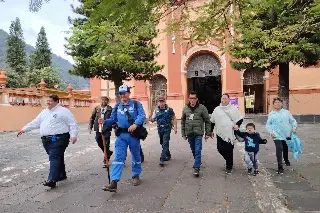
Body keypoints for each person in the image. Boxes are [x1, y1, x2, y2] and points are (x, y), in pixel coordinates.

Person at [17, 94, 78, 188]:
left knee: (54, 157)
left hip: (59, 138)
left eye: (50, 101)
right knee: (56, 156)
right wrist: (24, 129)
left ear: (56, 102)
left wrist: (74, 135)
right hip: (46, 139)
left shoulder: (64, 111)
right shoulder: (44, 112)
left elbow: (72, 123)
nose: (48, 102)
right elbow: (36, 122)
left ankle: (52, 179)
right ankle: (61, 175)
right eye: (47, 101)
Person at [99, 84, 146, 192]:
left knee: (136, 155)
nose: (122, 95)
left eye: (124, 93)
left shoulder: (136, 104)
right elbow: (113, 119)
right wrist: (104, 121)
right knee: (118, 158)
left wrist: (135, 124)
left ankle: (136, 175)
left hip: (133, 135)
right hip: (121, 135)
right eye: (120, 94)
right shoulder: (117, 106)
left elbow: (142, 115)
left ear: (129, 93)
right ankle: (114, 182)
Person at [210, 93, 243, 174]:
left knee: (229, 150)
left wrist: (237, 125)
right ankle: (228, 160)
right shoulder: (217, 109)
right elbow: (212, 121)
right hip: (220, 133)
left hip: (229, 134)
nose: (223, 100)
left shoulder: (233, 109)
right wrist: (210, 131)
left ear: (229, 99)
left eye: (225, 98)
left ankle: (229, 166)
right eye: (222, 98)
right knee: (220, 149)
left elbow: (240, 119)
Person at [181, 91, 211, 177]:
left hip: (198, 133)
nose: (192, 100)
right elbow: (183, 121)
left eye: (194, 98)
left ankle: (196, 167)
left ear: (197, 99)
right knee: (194, 150)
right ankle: (198, 161)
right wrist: (183, 133)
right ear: (189, 99)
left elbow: (207, 121)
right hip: (189, 132)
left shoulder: (202, 108)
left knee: (198, 150)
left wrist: (207, 133)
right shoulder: (185, 108)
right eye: (191, 98)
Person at [266, 97, 297, 174]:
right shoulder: (271, 114)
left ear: (281, 104)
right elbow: (268, 125)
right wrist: (271, 132)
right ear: (273, 104)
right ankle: (280, 166)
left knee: (285, 146)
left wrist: (294, 128)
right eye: (276, 102)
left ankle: (286, 159)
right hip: (276, 134)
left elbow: (293, 121)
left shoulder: (287, 112)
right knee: (279, 148)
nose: (277, 104)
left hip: (287, 133)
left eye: (279, 102)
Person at [150, 96, 177, 167]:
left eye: (162, 101)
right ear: (158, 103)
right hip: (160, 129)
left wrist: (175, 127)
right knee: (162, 143)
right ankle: (168, 154)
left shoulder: (169, 110)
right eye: (160, 101)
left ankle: (162, 158)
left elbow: (174, 118)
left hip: (167, 128)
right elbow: (152, 119)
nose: (161, 103)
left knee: (165, 143)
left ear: (165, 102)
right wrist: (152, 119)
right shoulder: (156, 111)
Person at [89, 96, 113, 168]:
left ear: (107, 101)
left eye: (105, 100)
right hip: (98, 129)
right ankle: (108, 153)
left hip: (106, 129)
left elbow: (113, 119)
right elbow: (92, 118)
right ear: (101, 101)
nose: (104, 101)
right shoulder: (97, 108)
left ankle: (106, 160)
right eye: (103, 100)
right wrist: (90, 127)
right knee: (99, 141)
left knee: (106, 144)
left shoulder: (110, 109)